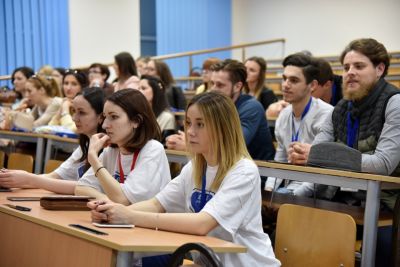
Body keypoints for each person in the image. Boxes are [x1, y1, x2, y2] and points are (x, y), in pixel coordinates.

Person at [87, 92, 281, 267]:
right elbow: (157, 204)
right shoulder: (195, 167)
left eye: (200, 124)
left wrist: (129, 216)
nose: (190, 131)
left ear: (222, 129)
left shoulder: (244, 171)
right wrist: (112, 214)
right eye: (188, 123)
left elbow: (202, 224)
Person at [289, 38, 400, 208]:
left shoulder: (394, 103)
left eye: (359, 66)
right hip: (339, 199)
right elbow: (315, 160)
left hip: (381, 206)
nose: (350, 72)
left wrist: (323, 155)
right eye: (346, 67)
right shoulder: (339, 108)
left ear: (380, 69)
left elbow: (382, 164)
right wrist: (293, 196)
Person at [0, 87, 106, 194]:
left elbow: (85, 187)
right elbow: (55, 176)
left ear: (101, 117)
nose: (74, 118)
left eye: (82, 113)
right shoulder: (85, 145)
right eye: (74, 111)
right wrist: (12, 180)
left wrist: (28, 179)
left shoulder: (108, 149)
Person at [75, 89, 171, 205]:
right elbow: (81, 188)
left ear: (136, 121)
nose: (104, 125)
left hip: (147, 223)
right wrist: (108, 202)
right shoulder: (111, 151)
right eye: (105, 117)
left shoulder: (153, 149)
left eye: (114, 117)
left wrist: (94, 159)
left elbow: (123, 200)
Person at [167, 59, 275, 162]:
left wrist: (190, 145)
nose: (213, 89)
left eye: (220, 85)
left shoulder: (252, 107)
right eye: (212, 83)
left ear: (237, 86)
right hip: (226, 166)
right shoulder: (216, 106)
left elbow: (233, 145)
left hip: (260, 172)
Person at [265, 53, 333, 196]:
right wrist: (269, 190)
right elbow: (280, 160)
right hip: (289, 189)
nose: (285, 85)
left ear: (312, 85)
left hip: (317, 193)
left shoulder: (327, 115)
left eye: (294, 80)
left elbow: (323, 173)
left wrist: (291, 197)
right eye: (284, 79)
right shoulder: (283, 116)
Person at [138, 75, 176, 143]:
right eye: (138, 89)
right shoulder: (136, 114)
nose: (139, 92)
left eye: (143, 88)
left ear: (155, 90)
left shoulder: (167, 117)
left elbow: (165, 145)